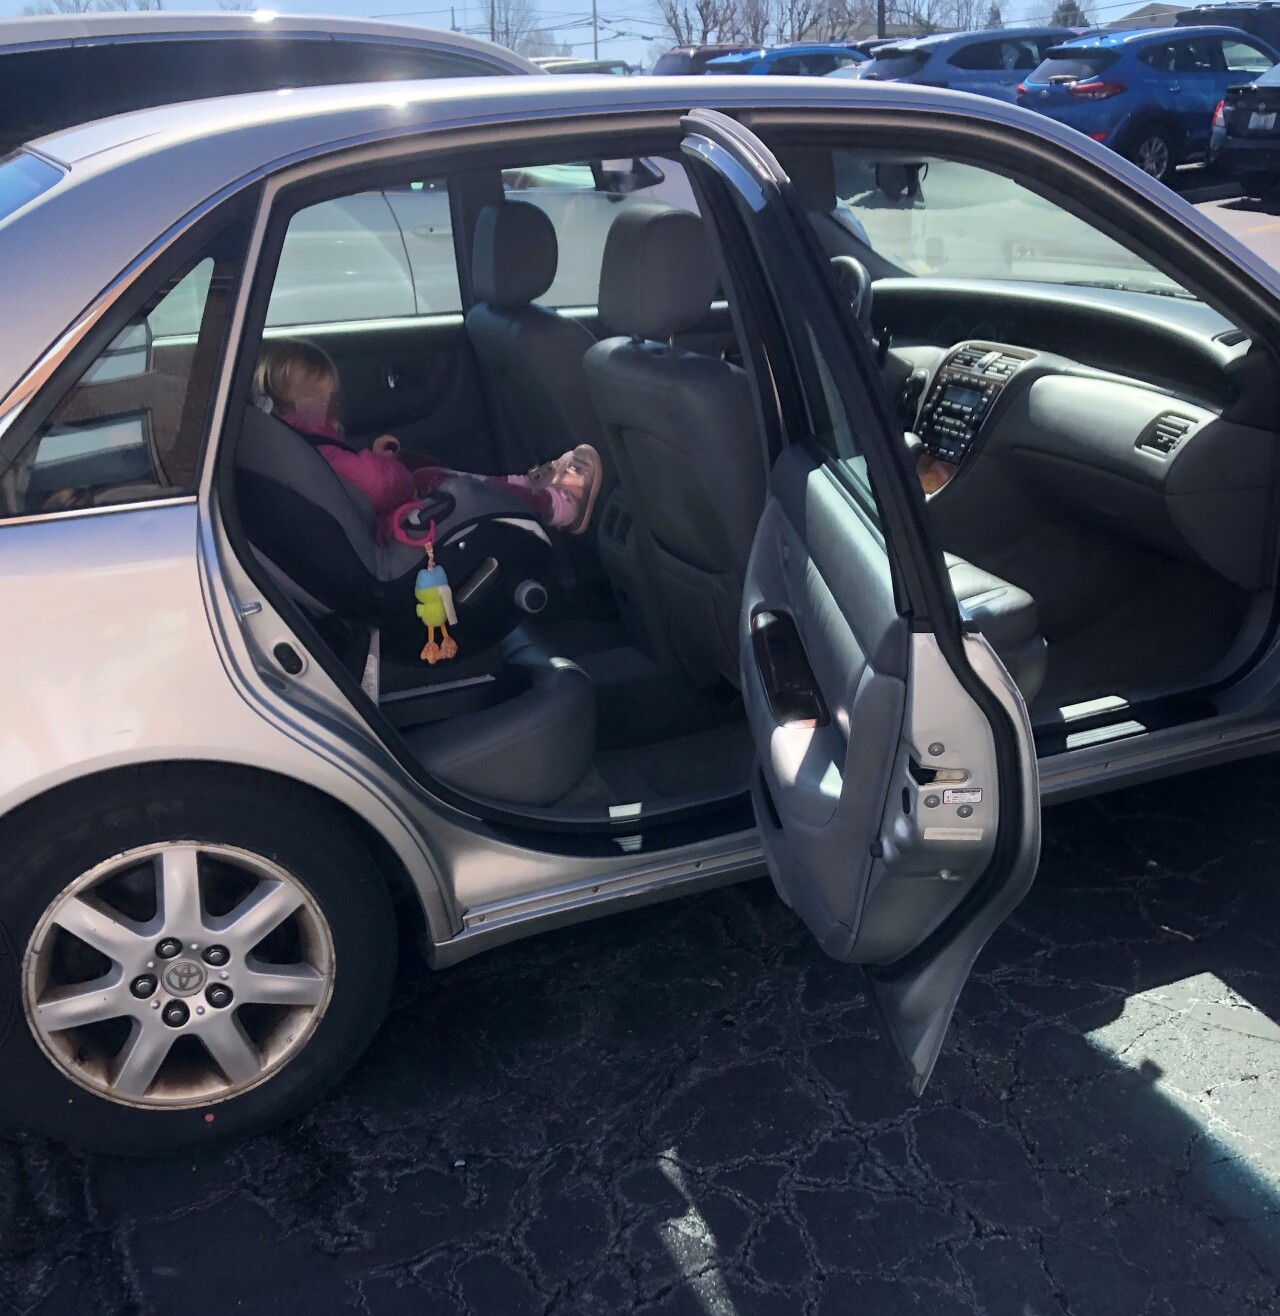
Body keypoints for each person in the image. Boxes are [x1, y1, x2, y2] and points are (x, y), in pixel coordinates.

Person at [252, 338, 602, 545]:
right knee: (441, 484)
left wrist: (379, 458)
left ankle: (522, 484)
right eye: (322, 398)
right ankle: (556, 505)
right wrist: (387, 466)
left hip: (372, 518)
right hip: (390, 532)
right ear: (295, 405)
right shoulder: (313, 450)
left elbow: (353, 476)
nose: (332, 407)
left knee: (422, 467)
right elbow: (377, 483)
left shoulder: (288, 442)